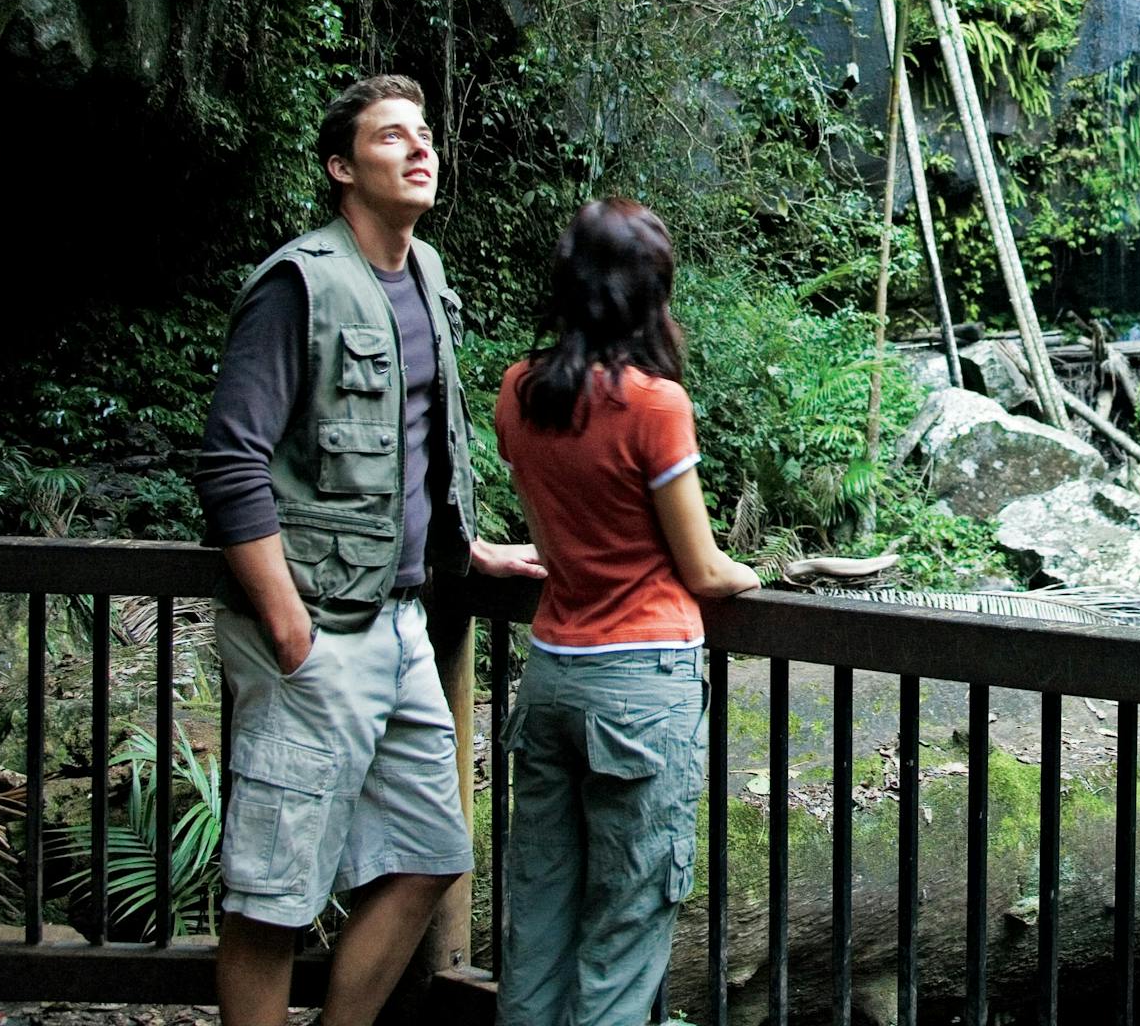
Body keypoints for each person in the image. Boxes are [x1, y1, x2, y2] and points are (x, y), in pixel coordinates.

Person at [194, 74, 546, 1026]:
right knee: (272, 900)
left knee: (434, 849)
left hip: (402, 626)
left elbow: (418, 444)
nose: (420, 148)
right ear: (343, 168)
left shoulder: (425, 273)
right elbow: (232, 460)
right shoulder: (298, 282)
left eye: (425, 133)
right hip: (315, 631)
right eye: (393, 137)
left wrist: (467, 550)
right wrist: (289, 630)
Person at [492, 199, 760, 1026]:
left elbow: (550, 544)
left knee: (536, 913)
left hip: (551, 675)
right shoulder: (654, 405)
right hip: (641, 686)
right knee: (625, 921)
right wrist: (752, 575)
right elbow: (703, 566)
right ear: (650, 295)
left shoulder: (519, 392)